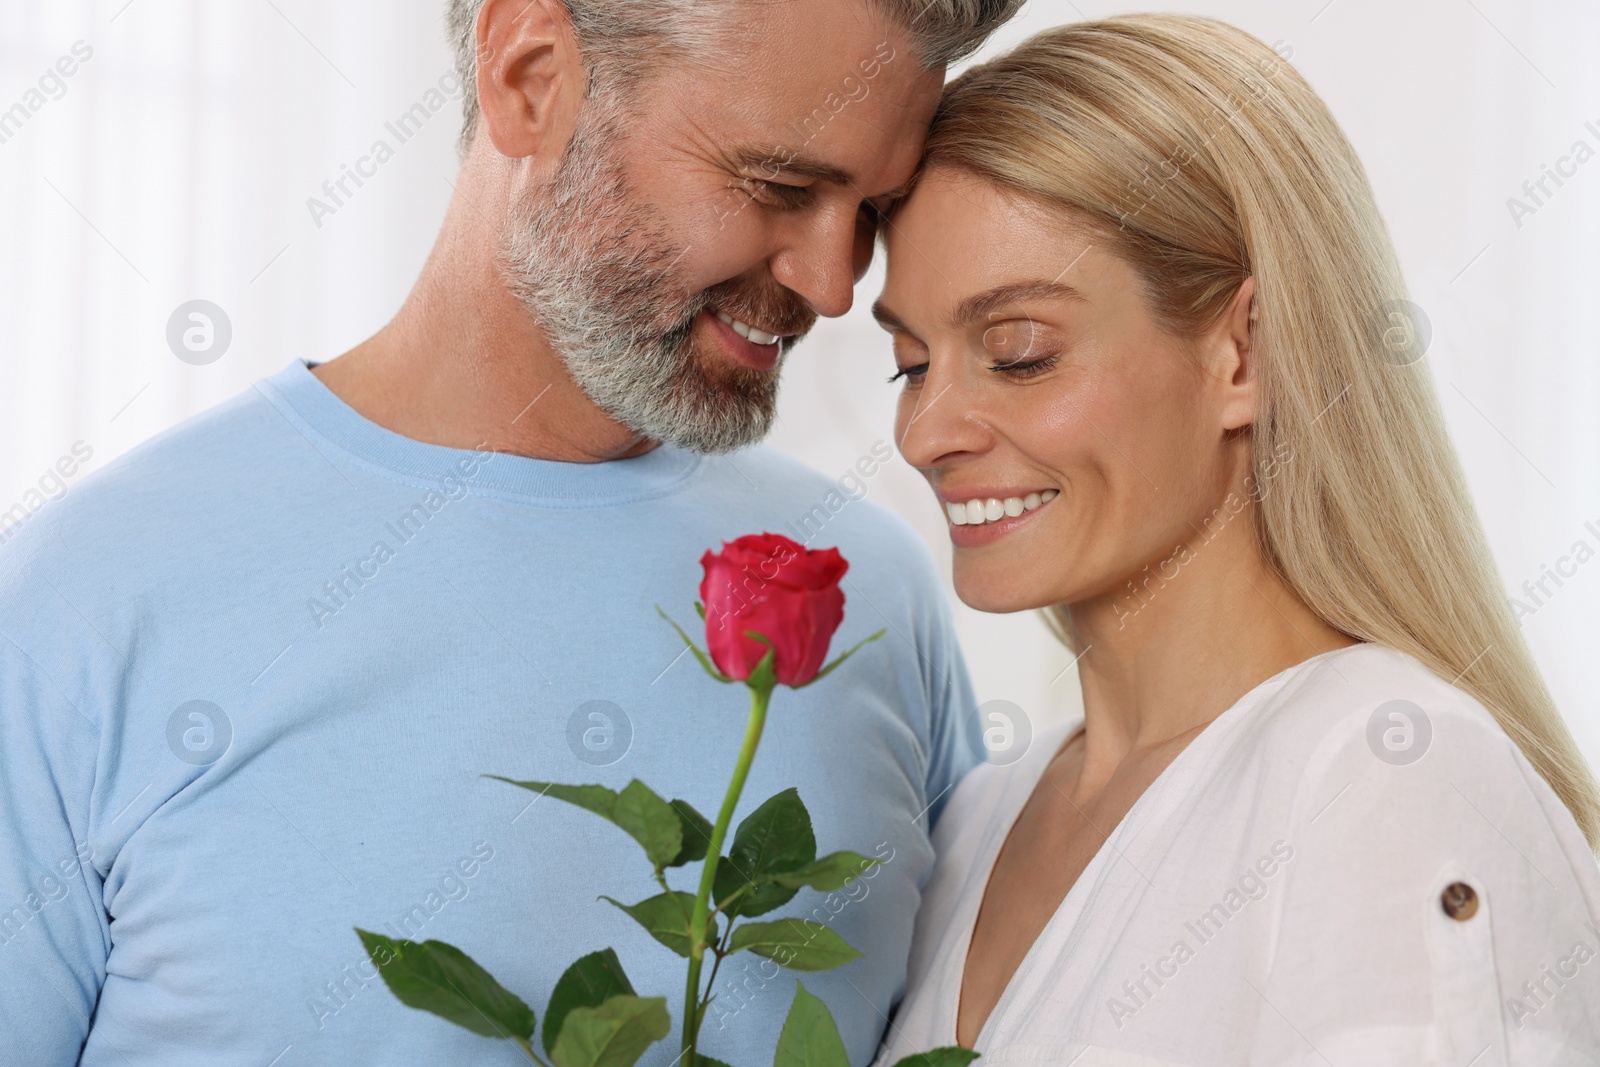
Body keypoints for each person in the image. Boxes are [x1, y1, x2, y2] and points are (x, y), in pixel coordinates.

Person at [0, 0, 1021, 1063]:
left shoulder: (867, 595)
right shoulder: (74, 611)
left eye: (872, 209)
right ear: (530, 77)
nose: (832, 280)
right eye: (778, 187)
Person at [870, 15, 1600, 1065]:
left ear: (1242, 351)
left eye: (1018, 352)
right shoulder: (978, 816)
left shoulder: (1386, 771)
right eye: (909, 362)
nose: (924, 431)